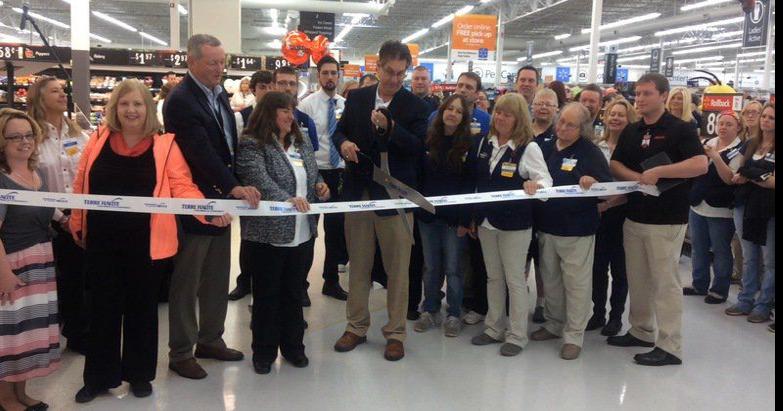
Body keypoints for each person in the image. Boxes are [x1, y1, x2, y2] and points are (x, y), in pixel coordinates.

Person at [69, 79, 231, 403]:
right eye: (124, 104)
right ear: (115, 108)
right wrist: (77, 221)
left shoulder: (165, 145)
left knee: (142, 309)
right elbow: (81, 184)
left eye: (138, 104)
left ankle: (139, 375)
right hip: (102, 239)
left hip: (148, 243)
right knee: (102, 309)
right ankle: (98, 377)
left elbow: (182, 186)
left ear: (148, 109)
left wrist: (207, 211)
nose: (131, 110)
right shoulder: (98, 139)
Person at [164, 34, 261, 381]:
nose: (220, 68)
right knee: (187, 281)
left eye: (222, 62)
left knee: (217, 276)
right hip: (195, 201)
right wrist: (232, 185)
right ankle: (180, 351)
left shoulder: (219, 93)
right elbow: (199, 152)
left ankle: (210, 339)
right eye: (212, 62)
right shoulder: (180, 101)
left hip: (221, 199)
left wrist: (232, 185)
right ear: (192, 62)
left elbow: (225, 146)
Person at [331, 40, 429, 362]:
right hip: (358, 197)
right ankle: (356, 326)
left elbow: (417, 148)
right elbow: (338, 131)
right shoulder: (357, 98)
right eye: (390, 72)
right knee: (358, 265)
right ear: (378, 67)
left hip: (395, 198)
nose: (395, 80)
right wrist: (344, 143)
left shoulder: (415, 106)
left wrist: (392, 128)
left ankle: (396, 333)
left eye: (401, 74)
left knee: (398, 270)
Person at [608, 73, 708, 366]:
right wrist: (637, 177)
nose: (639, 99)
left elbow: (700, 164)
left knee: (665, 283)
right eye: (637, 94)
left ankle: (670, 345)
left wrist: (662, 172)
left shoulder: (681, 129)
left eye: (646, 94)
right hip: (635, 215)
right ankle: (641, 330)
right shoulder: (633, 130)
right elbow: (616, 163)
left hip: (667, 219)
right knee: (637, 280)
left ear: (663, 96)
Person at [236, 91, 330, 374]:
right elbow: (257, 178)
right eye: (284, 110)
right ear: (269, 112)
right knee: (266, 296)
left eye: (292, 110)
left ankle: (293, 348)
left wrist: (320, 185)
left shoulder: (300, 141)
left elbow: (312, 173)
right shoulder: (252, 144)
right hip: (267, 235)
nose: (291, 116)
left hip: (302, 233)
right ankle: (263, 353)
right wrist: (287, 200)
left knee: (293, 293)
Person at [466, 93, 553, 357]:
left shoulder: (529, 147)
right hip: (486, 222)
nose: (501, 117)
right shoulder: (484, 143)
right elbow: (477, 184)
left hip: (515, 224)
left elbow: (546, 183)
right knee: (493, 277)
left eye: (508, 114)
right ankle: (494, 327)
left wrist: (534, 185)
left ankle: (517, 334)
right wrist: (472, 215)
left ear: (519, 119)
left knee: (515, 279)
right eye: (499, 112)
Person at [531, 103, 612, 360]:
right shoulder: (545, 147)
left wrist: (594, 183)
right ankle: (554, 323)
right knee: (550, 279)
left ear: (582, 128)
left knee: (576, 284)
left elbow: (606, 186)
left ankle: (574, 335)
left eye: (569, 124)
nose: (562, 127)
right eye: (561, 121)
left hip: (577, 229)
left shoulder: (590, 152)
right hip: (547, 226)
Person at [0, 108, 59, 411]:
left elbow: (49, 210)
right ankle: (5, 398)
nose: (24, 142)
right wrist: (4, 273)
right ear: (2, 142)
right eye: (15, 137)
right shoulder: (3, 180)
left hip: (40, 263)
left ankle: (21, 392)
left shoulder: (36, 175)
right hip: (14, 265)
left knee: (28, 332)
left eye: (28, 135)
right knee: (10, 333)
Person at [26, 76, 90, 355]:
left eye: (63, 90)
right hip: (46, 220)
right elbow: (28, 181)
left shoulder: (78, 134)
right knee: (54, 280)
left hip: (79, 215)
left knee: (79, 276)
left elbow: (86, 173)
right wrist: (59, 217)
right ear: (39, 98)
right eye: (55, 91)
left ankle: (77, 332)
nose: (62, 94)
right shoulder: (31, 136)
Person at [413, 94, 473, 337]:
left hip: (453, 219)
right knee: (430, 267)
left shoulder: (468, 145)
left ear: (463, 118)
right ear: (441, 112)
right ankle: (430, 309)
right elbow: (419, 177)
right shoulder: (428, 140)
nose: (453, 114)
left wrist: (464, 220)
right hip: (428, 217)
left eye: (458, 111)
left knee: (453, 268)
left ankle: (454, 313)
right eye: (449, 109)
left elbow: (470, 186)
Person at [298, 56, 349, 301]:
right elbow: (302, 143)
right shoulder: (306, 105)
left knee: (335, 231)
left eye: (334, 73)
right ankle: (301, 285)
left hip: (339, 172)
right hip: (315, 173)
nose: (330, 77)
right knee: (309, 231)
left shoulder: (345, 105)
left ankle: (331, 281)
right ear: (319, 76)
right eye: (326, 73)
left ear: (339, 76)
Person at [587, 98, 636, 336]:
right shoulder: (597, 146)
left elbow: (633, 186)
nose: (616, 118)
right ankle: (597, 313)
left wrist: (608, 204)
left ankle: (616, 316)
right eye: (612, 114)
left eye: (621, 115)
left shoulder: (632, 148)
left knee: (619, 269)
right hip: (597, 215)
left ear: (629, 119)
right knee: (597, 267)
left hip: (622, 214)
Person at [684, 112, 743, 305]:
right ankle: (699, 283)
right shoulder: (708, 142)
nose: (723, 127)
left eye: (729, 124)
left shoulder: (739, 150)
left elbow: (729, 179)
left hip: (721, 208)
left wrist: (716, 157)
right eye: (721, 123)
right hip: (698, 203)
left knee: (720, 250)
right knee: (698, 248)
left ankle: (719, 289)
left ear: (738, 128)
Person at [725, 103, 775, 323]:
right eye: (764, 116)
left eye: (771, 118)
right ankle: (746, 299)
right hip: (745, 204)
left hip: (769, 208)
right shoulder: (751, 144)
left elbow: (772, 182)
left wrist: (752, 174)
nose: (766, 120)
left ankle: (764, 304)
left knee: (770, 259)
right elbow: (738, 174)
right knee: (749, 256)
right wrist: (760, 175)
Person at [228, 69, 276, 302]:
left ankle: (266, 284)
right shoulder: (241, 117)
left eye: (270, 87)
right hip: (249, 188)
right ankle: (244, 281)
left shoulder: (280, 117)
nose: (267, 91)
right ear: (254, 90)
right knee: (248, 238)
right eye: (262, 87)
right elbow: (236, 150)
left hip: (275, 187)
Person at [528, 88, 560, 322]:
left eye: (549, 104)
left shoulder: (561, 134)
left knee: (543, 260)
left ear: (556, 109)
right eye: (540, 103)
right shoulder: (522, 131)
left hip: (547, 207)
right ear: (532, 106)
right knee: (521, 256)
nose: (543, 108)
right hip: (522, 205)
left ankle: (542, 302)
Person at [731, 100, 764, 284]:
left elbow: (742, 172)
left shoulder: (764, 144)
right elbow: (737, 173)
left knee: (760, 252)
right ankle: (745, 280)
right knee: (745, 246)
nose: (751, 116)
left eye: (756, 113)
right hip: (742, 199)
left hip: (760, 202)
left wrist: (749, 175)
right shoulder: (745, 141)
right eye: (747, 112)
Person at [428, 72, 490, 139]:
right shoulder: (436, 116)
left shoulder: (486, 120)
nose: (463, 90)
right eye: (460, 85)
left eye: (468, 87)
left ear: (477, 94)